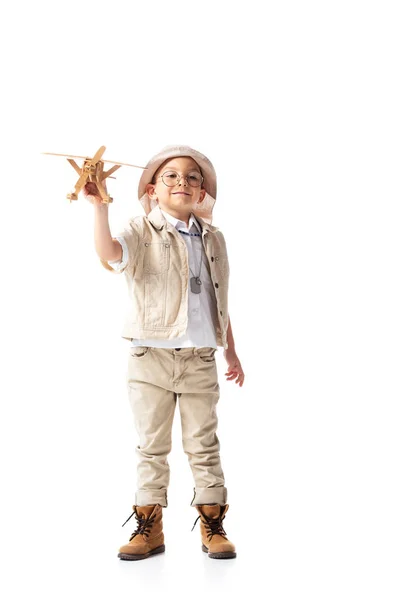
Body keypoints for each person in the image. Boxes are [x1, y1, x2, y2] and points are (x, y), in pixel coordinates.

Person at [84, 145, 245, 561]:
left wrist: (231, 352)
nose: (182, 182)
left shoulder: (214, 238)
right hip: (149, 357)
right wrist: (100, 209)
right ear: (153, 190)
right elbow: (111, 254)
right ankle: (149, 526)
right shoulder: (141, 229)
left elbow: (219, 299)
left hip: (200, 359)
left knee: (203, 444)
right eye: (171, 176)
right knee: (151, 446)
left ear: (202, 190)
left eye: (193, 177)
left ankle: (213, 524)